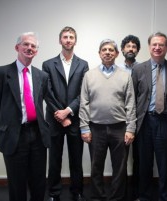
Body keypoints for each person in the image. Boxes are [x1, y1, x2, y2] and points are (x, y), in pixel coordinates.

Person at [0, 32, 55, 201]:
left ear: (36, 52)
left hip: (38, 134)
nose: (29, 48)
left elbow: (41, 103)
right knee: (17, 183)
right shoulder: (0, 74)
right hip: (14, 135)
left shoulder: (42, 76)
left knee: (39, 182)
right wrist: (7, 125)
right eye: (26, 44)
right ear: (17, 47)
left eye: (33, 46)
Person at [79, 39, 136, 201]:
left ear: (117, 54)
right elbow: (84, 103)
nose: (107, 52)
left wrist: (131, 128)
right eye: (104, 49)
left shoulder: (125, 76)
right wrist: (84, 128)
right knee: (96, 166)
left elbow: (130, 104)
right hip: (96, 128)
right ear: (99, 53)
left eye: (111, 50)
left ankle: (117, 197)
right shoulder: (89, 75)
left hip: (120, 128)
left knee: (120, 167)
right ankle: (98, 196)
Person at [132, 32, 167, 201]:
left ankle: (165, 196)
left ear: (166, 47)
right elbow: (132, 97)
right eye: (154, 44)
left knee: (163, 164)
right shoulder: (138, 69)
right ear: (149, 47)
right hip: (144, 121)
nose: (157, 47)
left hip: (164, 121)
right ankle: (144, 196)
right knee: (144, 164)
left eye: (161, 45)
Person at [42, 26, 89, 201]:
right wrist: (60, 116)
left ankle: (77, 192)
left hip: (75, 119)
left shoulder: (83, 64)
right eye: (65, 37)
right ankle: (54, 193)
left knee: (76, 159)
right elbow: (47, 92)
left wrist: (68, 111)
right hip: (54, 120)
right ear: (59, 40)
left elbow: (83, 93)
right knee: (54, 159)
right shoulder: (48, 64)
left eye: (71, 37)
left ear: (75, 41)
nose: (68, 40)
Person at [120, 34, 141, 200]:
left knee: (139, 159)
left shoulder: (143, 69)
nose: (131, 49)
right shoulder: (117, 70)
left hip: (140, 120)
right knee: (121, 159)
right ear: (122, 50)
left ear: (138, 50)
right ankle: (121, 194)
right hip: (120, 120)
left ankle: (136, 194)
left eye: (134, 46)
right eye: (128, 46)